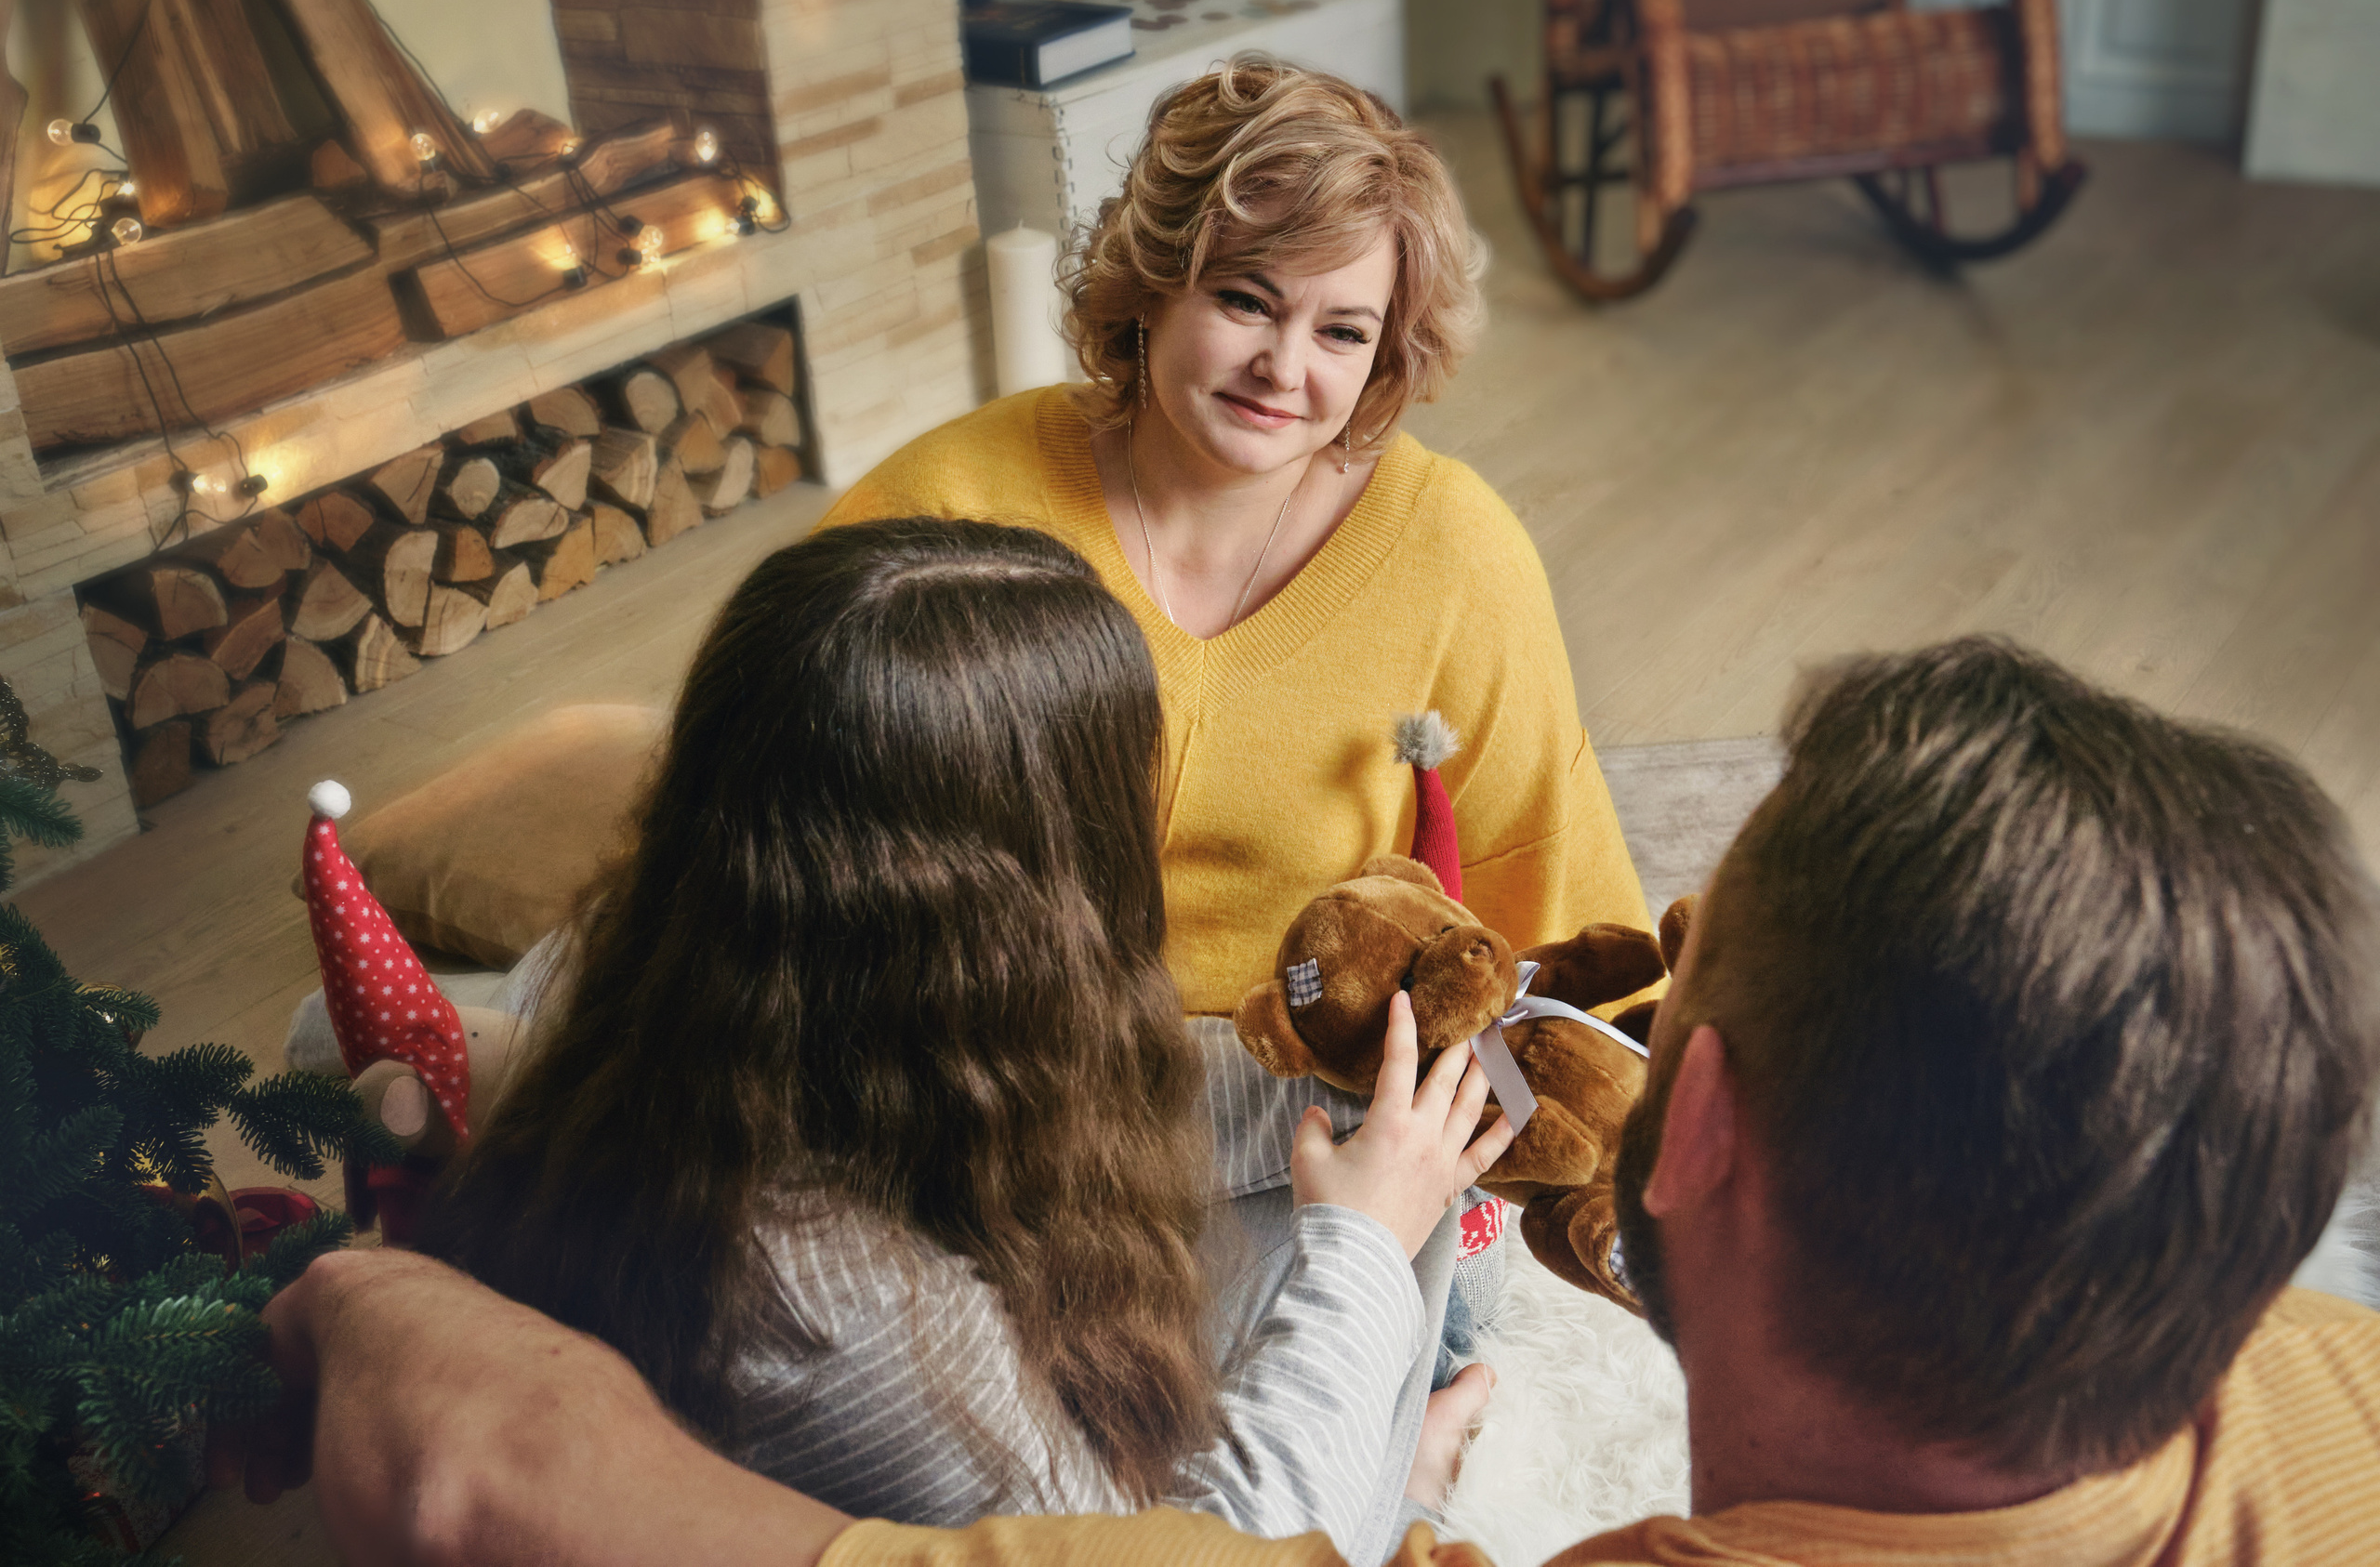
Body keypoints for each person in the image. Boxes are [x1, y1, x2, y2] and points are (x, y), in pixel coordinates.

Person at [227, 638, 2380, 1566]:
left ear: (1692, 1124)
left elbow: (491, 1466)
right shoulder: (2331, 1378)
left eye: (1676, 966)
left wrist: (352, 1296)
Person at [413, 518, 1510, 1564]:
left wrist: (1365, 1077)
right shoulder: (832, 1306)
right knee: (1400, 1252)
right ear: (1024, 889)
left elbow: (1109, 1091)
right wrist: (1364, 1245)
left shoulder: (688, 973)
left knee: (1399, 1152)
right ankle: (1413, 1480)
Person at [824, 48, 1653, 1427]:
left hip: (1305, 1125)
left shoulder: (1457, 551)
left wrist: (1588, 1141)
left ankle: (1420, 1449)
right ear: (1152, 286)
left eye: (1344, 331)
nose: (1286, 366)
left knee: (1213, 1440)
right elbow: (771, 843)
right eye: (1245, 299)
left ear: (1391, 352)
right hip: (998, 1090)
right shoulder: (949, 502)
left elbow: (1554, 904)